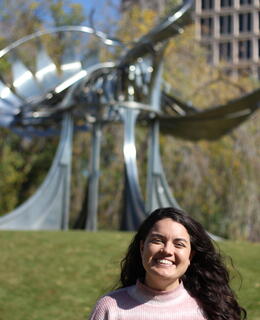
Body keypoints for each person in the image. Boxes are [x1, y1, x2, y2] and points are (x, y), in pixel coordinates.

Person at [88, 207, 247, 320]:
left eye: (179, 244)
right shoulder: (110, 309)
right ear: (142, 247)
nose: (167, 250)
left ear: (190, 255)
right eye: (158, 240)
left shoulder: (210, 311)